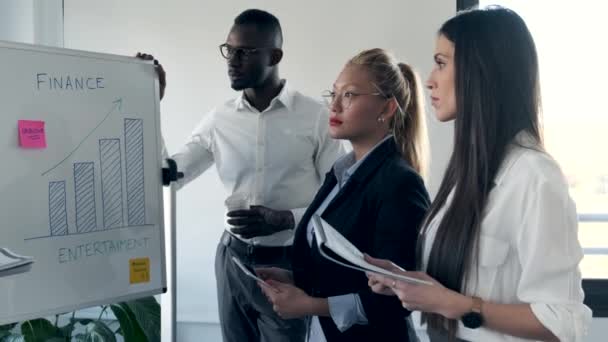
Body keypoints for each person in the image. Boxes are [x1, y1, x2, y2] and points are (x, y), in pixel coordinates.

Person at [366, 6, 592, 342]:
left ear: (482, 70)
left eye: (441, 63)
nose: (429, 79)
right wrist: (407, 281)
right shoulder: (468, 169)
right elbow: (462, 282)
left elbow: (562, 321)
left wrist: (458, 305)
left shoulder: (534, 177)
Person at [140, 8, 345, 342]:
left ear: (275, 55)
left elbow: (339, 200)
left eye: (245, 52)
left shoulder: (316, 118)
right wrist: (149, 101)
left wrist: (286, 219)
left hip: (290, 264)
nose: (232, 61)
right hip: (232, 259)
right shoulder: (219, 119)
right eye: (229, 50)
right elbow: (168, 177)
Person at [257, 48, 431, 342]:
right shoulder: (341, 173)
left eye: (349, 95)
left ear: (387, 109)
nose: (334, 106)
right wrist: (295, 277)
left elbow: (396, 297)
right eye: (333, 93)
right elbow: (341, 270)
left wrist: (310, 306)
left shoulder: (399, 183)